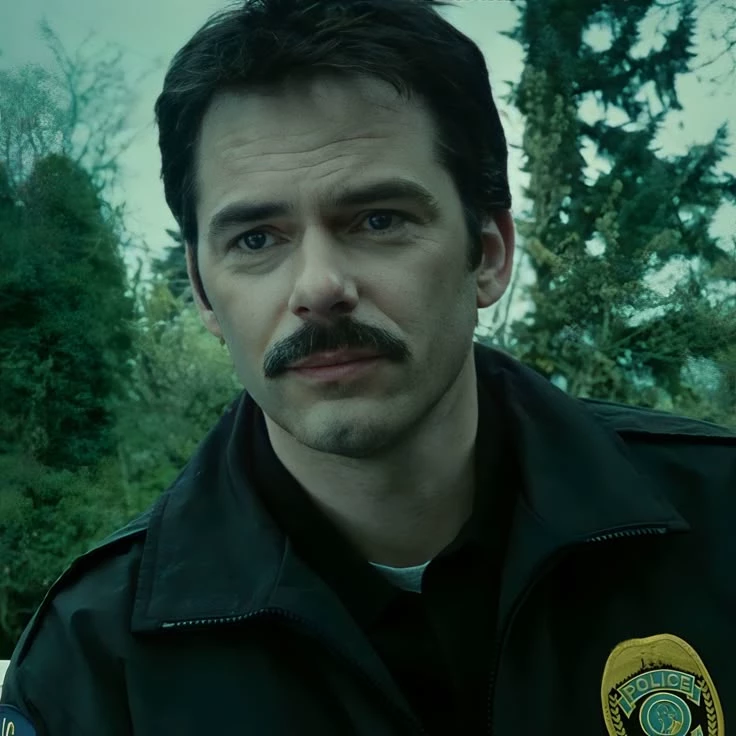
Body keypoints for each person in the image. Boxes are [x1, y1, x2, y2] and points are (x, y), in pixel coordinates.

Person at [1, 0, 733, 733]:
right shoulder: (92, 664)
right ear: (201, 291)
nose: (319, 287)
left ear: (488, 253)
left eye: (379, 220)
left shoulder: (720, 525)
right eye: (256, 239)